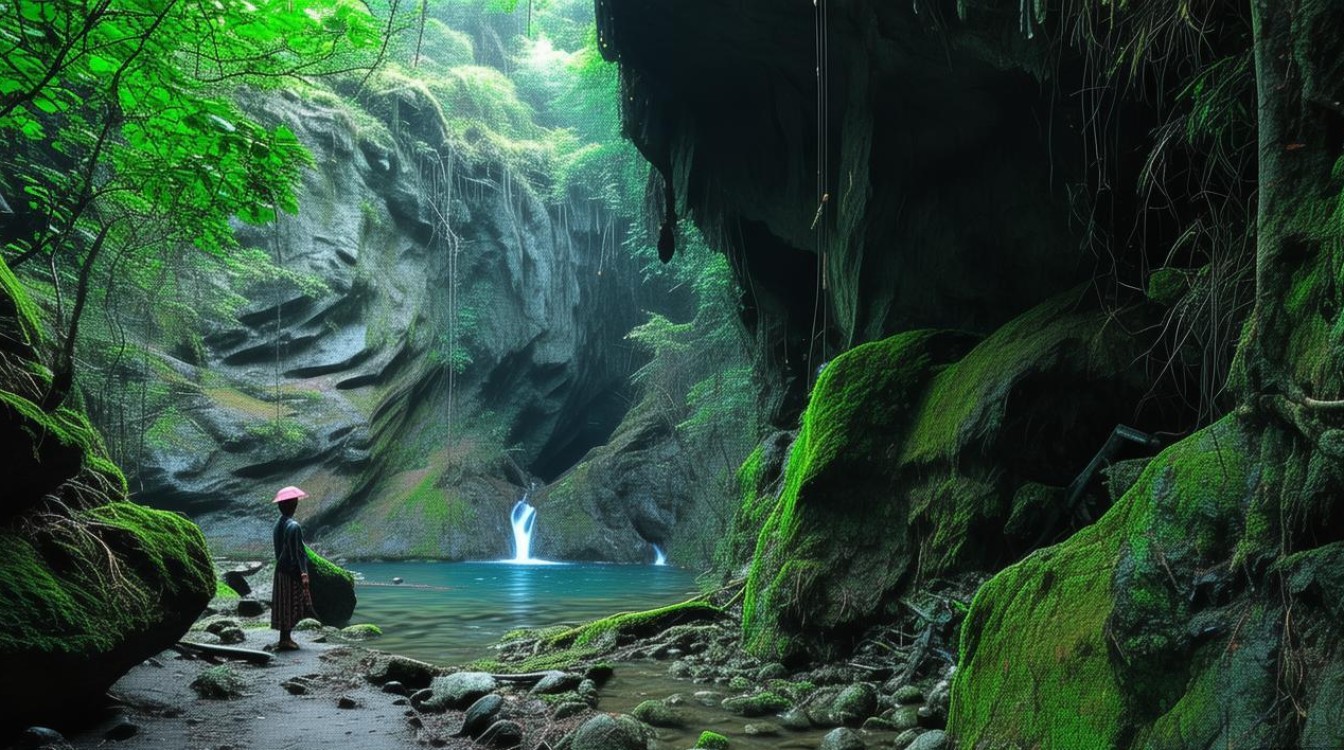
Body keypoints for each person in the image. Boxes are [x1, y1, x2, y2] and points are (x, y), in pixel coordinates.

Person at [270, 485, 313, 650]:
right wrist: (304, 574)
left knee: (282, 603)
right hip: (290, 571)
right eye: (294, 502)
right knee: (291, 603)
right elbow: (299, 553)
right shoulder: (294, 526)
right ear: (292, 505)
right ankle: (286, 639)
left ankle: (283, 637)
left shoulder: (277, 525)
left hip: (279, 570)